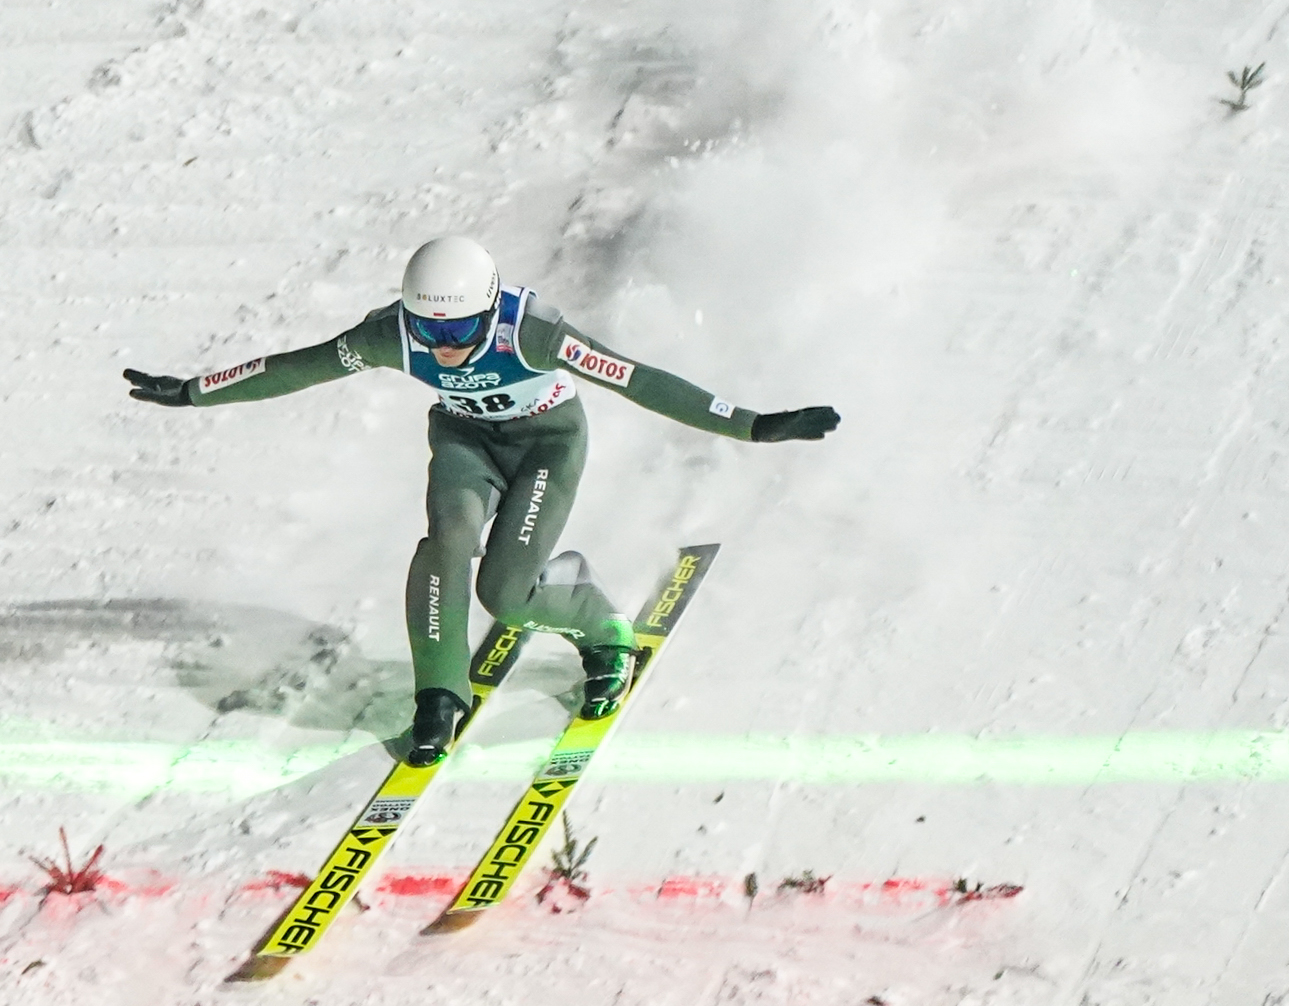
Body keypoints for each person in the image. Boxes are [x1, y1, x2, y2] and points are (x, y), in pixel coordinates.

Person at [125, 235, 837, 766]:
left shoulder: (532, 332)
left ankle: (595, 622)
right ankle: (439, 693)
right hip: (466, 443)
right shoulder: (393, 334)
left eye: (457, 331)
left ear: (488, 310)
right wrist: (194, 390)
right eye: (429, 332)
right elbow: (297, 367)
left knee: (506, 594)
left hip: (544, 449)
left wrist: (750, 423)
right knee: (445, 542)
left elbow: (637, 379)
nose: (443, 347)